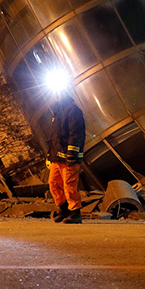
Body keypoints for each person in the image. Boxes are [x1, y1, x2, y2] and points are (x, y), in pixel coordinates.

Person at [46, 89, 86, 224]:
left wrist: (72, 154)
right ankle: (64, 209)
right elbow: (54, 138)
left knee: (69, 185)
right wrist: (49, 155)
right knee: (53, 183)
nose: (54, 96)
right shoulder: (57, 113)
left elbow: (76, 134)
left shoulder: (73, 111)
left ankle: (75, 213)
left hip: (69, 158)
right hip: (57, 158)